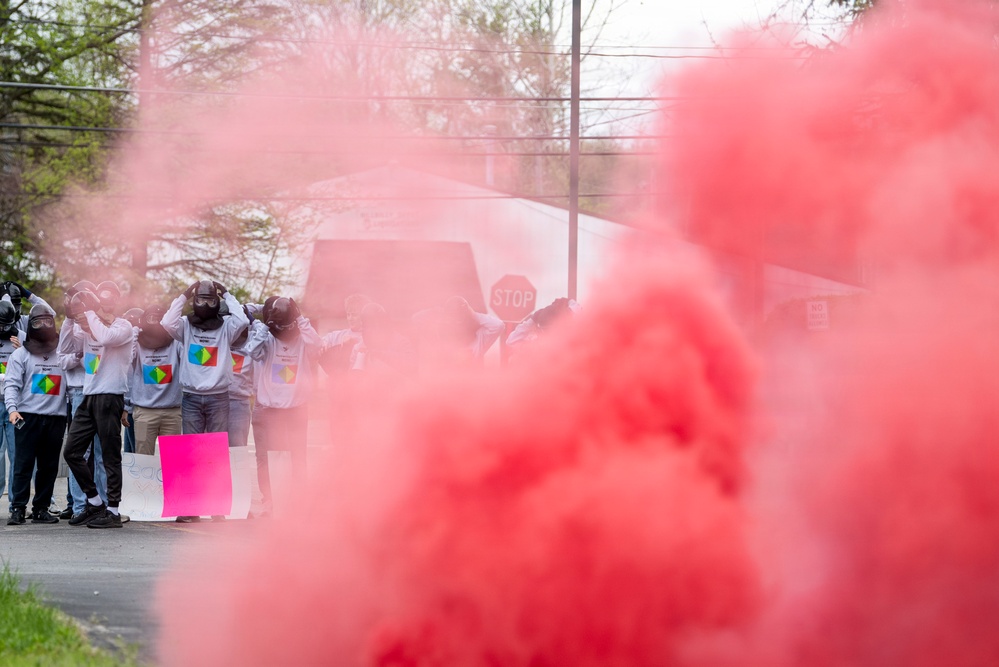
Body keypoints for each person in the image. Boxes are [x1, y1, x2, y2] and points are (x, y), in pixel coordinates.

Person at [160, 280, 247, 523]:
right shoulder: (185, 326)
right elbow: (166, 322)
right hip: (191, 397)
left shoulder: (226, 327)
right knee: (191, 452)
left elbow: (242, 320)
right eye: (200, 299)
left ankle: (217, 506)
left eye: (211, 300)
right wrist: (183, 295)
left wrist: (229, 293)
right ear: (194, 301)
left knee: (216, 453)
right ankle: (190, 508)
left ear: (217, 302)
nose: (205, 304)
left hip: (219, 396)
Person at [61, 286, 132, 528]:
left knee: (110, 456)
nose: (83, 321)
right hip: (89, 398)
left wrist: (90, 314)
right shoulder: (87, 332)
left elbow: (106, 338)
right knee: (71, 452)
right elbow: (65, 346)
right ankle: (94, 502)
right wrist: (71, 317)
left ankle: (112, 511)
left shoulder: (123, 327)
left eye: (86, 316)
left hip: (110, 397)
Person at [246, 297, 320, 515]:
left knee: (297, 458)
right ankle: (269, 502)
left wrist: (299, 318)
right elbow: (251, 351)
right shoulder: (266, 337)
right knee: (265, 459)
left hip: (296, 409)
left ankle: (296, 502)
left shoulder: (303, 339)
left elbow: (318, 344)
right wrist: (267, 324)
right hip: (269, 409)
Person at [4, 305, 66, 525]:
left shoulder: (63, 354)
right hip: (27, 417)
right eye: (37, 322)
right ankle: (18, 509)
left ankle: (41, 508)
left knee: (49, 467)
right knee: (23, 464)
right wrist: (12, 410)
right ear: (30, 325)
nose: (43, 326)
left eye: (47, 321)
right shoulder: (20, 354)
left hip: (56, 417)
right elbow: (11, 384)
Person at [57, 280, 101, 520]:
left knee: (101, 451)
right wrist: (78, 355)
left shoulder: (100, 323)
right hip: (78, 391)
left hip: (101, 390)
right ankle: (79, 506)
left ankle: (102, 504)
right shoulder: (70, 325)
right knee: (79, 452)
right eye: (76, 301)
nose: (79, 305)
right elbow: (62, 358)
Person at [129, 305, 183, 455]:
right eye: (151, 319)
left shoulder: (176, 342)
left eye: (160, 320)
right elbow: (127, 359)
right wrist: (134, 333)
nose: (156, 324)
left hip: (172, 412)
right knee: (142, 462)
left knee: (173, 461)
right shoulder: (138, 343)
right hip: (144, 412)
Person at [413, 295, 504, 369]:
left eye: (461, 318)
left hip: (472, 386)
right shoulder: (440, 337)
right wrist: (439, 312)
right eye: (454, 317)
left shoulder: (479, 338)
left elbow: (498, 325)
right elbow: (416, 319)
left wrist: (472, 314)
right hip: (447, 385)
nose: (458, 322)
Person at [0, 299, 24, 511]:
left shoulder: (19, 337)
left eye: (6, 325)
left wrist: (22, 349)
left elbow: (32, 362)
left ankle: (15, 505)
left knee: (16, 453)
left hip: (13, 404)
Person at [505, 297, 581, 350]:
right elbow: (511, 341)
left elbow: (511, 341)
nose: (547, 334)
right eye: (544, 330)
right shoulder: (538, 346)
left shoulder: (574, 336)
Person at [228, 307, 255, 449]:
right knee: (212, 451)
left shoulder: (254, 339)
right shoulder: (220, 333)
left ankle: (238, 473)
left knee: (237, 449)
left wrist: (247, 311)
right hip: (215, 399)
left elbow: (263, 328)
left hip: (239, 402)